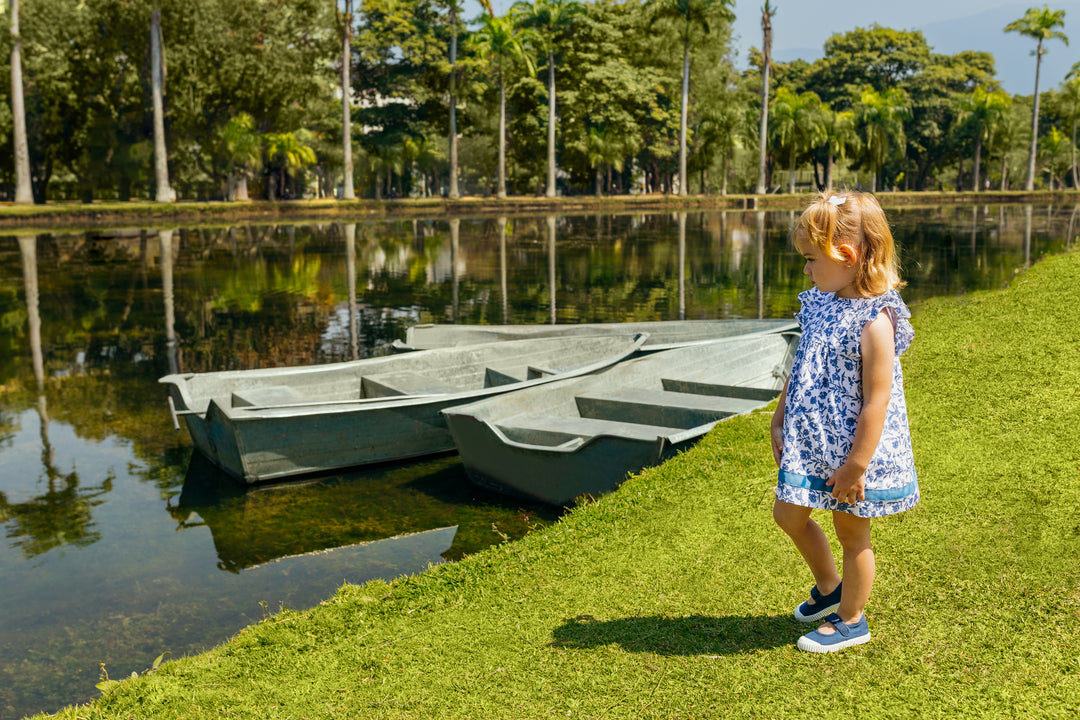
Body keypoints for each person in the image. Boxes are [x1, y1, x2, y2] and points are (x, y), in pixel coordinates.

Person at [770, 190, 919, 653]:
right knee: (788, 514)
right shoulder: (820, 301)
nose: (807, 269)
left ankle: (852, 619)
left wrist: (856, 465)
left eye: (811, 259)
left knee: (851, 530)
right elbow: (800, 365)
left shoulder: (876, 320)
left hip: (854, 450)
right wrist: (779, 417)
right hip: (813, 438)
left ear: (847, 255)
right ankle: (830, 586)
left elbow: (878, 401)